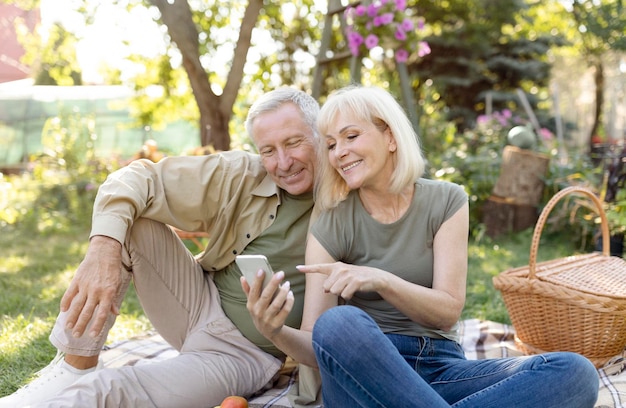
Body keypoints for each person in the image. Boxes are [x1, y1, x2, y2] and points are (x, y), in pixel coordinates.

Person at [246, 85, 599, 407]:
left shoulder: (446, 200)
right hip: (364, 375)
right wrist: (274, 330)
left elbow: (446, 311)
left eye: (351, 136)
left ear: (390, 137)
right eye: (332, 144)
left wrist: (380, 280)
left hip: (440, 369)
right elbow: (316, 344)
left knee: (574, 372)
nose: (340, 152)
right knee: (337, 323)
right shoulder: (331, 219)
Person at [0, 87, 320, 408]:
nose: (283, 162)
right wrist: (102, 251)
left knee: (109, 390)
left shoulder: (348, 205)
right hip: (196, 300)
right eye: (268, 150)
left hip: (243, 352)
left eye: (293, 143)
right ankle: (75, 365)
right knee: (130, 221)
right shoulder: (242, 173)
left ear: (320, 134)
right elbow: (134, 178)